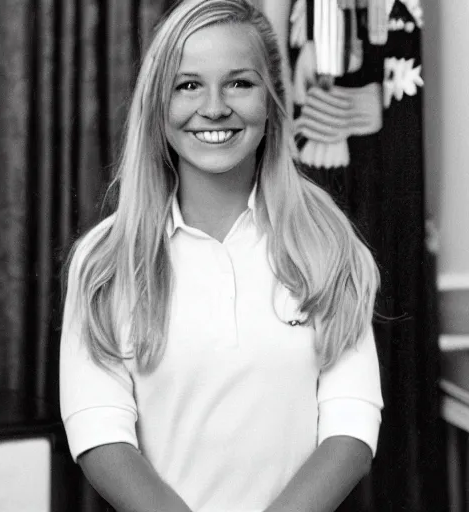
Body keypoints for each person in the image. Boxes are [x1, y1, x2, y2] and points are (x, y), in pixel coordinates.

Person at [59, 1, 384, 511]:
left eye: (239, 83)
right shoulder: (104, 261)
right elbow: (99, 431)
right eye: (188, 85)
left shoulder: (329, 246)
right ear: (157, 104)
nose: (214, 107)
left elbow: (351, 430)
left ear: (273, 100)